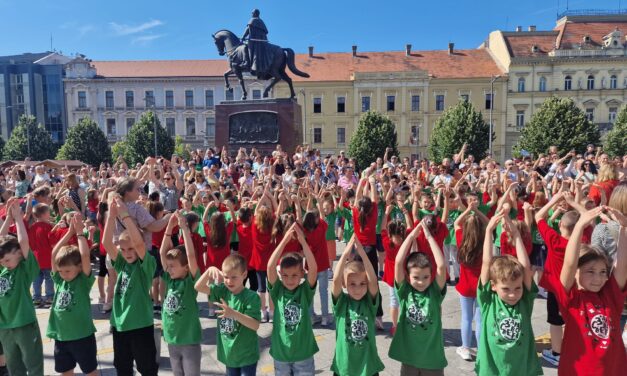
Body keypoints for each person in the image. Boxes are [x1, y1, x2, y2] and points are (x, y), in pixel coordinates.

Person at [554, 206, 627, 375]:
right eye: (590, 271)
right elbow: (570, 263)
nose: (598, 278)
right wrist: (580, 226)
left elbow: (621, 264)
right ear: (576, 273)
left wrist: (623, 228)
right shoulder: (572, 298)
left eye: (603, 272)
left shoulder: (610, 295)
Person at [475, 208, 542, 376]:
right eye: (506, 289)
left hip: (521, 370)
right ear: (493, 286)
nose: (513, 294)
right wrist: (489, 231)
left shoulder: (524, 302)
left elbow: (525, 267)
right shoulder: (489, 301)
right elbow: (486, 263)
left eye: (517, 288)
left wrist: (517, 235)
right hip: (492, 370)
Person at [102, 195, 158, 376]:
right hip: (120, 326)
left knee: (147, 368)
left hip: (140, 326)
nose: (127, 253)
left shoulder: (145, 266)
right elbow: (106, 243)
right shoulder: (121, 264)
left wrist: (125, 215)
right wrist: (111, 216)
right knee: (122, 368)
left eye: (130, 249)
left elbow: (140, 243)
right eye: (123, 249)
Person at [388, 219, 447, 375]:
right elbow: (398, 262)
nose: (421, 282)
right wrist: (412, 235)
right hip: (409, 359)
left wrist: (428, 236)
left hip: (432, 360)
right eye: (416, 277)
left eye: (426, 277)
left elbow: (441, 265)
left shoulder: (434, 293)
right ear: (408, 277)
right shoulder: (405, 292)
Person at [47, 214, 98, 376]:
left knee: (90, 370)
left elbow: (84, 256)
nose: (63, 274)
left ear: (78, 267)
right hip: (61, 337)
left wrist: (79, 233)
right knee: (65, 371)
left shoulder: (83, 282)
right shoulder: (59, 281)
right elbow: (54, 254)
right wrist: (68, 233)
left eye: (67, 270)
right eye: (61, 271)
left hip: (82, 336)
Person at [195, 254, 261, 375]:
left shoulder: (252, 297)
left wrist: (233, 314)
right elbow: (198, 286)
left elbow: (255, 325)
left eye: (234, 277)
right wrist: (208, 271)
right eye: (226, 277)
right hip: (229, 355)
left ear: (244, 275)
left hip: (247, 356)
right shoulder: (222, 290)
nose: (229, 281)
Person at [267, 224, 319, 375]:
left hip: (303, 355)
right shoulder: (278, 291)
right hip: (281, 354)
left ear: (302, 274)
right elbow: (270, 267)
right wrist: (284, 241)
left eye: (295, 275)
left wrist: (303, 242)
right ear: (280, 274)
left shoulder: (304, 292)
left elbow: (314, 269)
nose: (290, 280)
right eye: (285, 275)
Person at [0, 198, 44, 376]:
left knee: (33, 364)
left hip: (24, 324)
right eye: (2, 261)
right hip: (5, 327)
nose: (4, 263)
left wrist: (18, 218)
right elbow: (1, 241)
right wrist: (8, 219)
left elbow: (23, 242)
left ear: (19, 254)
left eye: (7, 260)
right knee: (13, 366)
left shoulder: (23, 270)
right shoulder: (3, 270)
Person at [330, 235, 384, 376]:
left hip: (368, 367)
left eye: (362, 283)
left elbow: (373, 281)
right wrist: (346, 253)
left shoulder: (369, 303)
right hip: (344, 367)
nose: (358, 288)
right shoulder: (342, 303)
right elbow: (335, 280)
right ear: (344, 284)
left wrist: (362, 254)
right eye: (352, 284)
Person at [160, 212, 202, 376]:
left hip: (189, 341)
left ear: (185, 267)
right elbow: (163, 253)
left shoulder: (189, 283)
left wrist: (184, 228)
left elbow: (191, 255)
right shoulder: (170, 280)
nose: (168, 269)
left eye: (173, 266)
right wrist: (169, 228)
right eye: (168, 266)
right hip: (172, 340)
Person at [28, 203, 54, 308]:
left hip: (36, 258)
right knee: (49, 278)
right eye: (48, 212)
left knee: (36, 279)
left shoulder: (32, 227)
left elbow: (30, 243)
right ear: (43, 214)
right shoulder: (48, 226)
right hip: (47, 257)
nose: (50, 213)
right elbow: (52, 241)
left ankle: (36, 298)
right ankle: (49, 297)